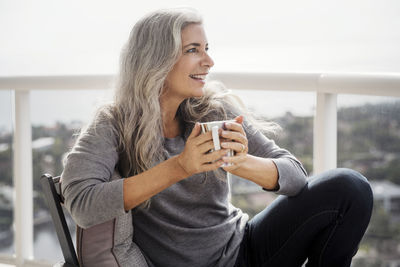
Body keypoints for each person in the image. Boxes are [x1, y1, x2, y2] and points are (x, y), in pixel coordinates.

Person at [61, 7, 373, 267]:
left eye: (206, 49)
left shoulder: (213, 110)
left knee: (349, 187)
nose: (209, 62)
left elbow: (295, 176)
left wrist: (241, 163)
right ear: (156, 59)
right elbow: (83, 205)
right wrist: (181, 167)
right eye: (192, 50)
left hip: (245, 249)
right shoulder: (113, 123)